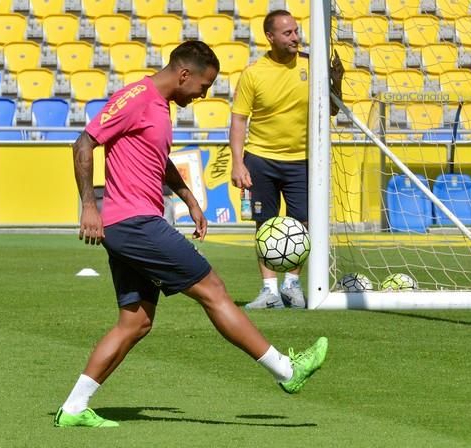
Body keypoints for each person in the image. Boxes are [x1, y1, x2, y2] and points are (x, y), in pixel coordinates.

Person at [54, 41, 328, 429]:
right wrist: (88, 205)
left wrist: (190, 199)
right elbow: (84, 142)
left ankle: (74, 408)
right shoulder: (135, 97)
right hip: (134, 224)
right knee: (214, 290)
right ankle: (286, 370)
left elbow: (156, 159)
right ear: (184, 74)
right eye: (204, 85)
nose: (204, 93)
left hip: (133, 224)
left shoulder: (159, 109)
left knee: (135, 323)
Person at [230, 10, 344, 310]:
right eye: (288, 33)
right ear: (270, 37)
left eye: (296, 31)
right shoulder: (254, 73)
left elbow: (332, 111)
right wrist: (237, 162)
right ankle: (269, 292)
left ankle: (292, 287)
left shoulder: (313, 65)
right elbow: (239, 120)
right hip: (261, 159)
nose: (296, 37)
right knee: (264, 226)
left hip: (303, 161)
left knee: (303, 225)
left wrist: (336, 81)